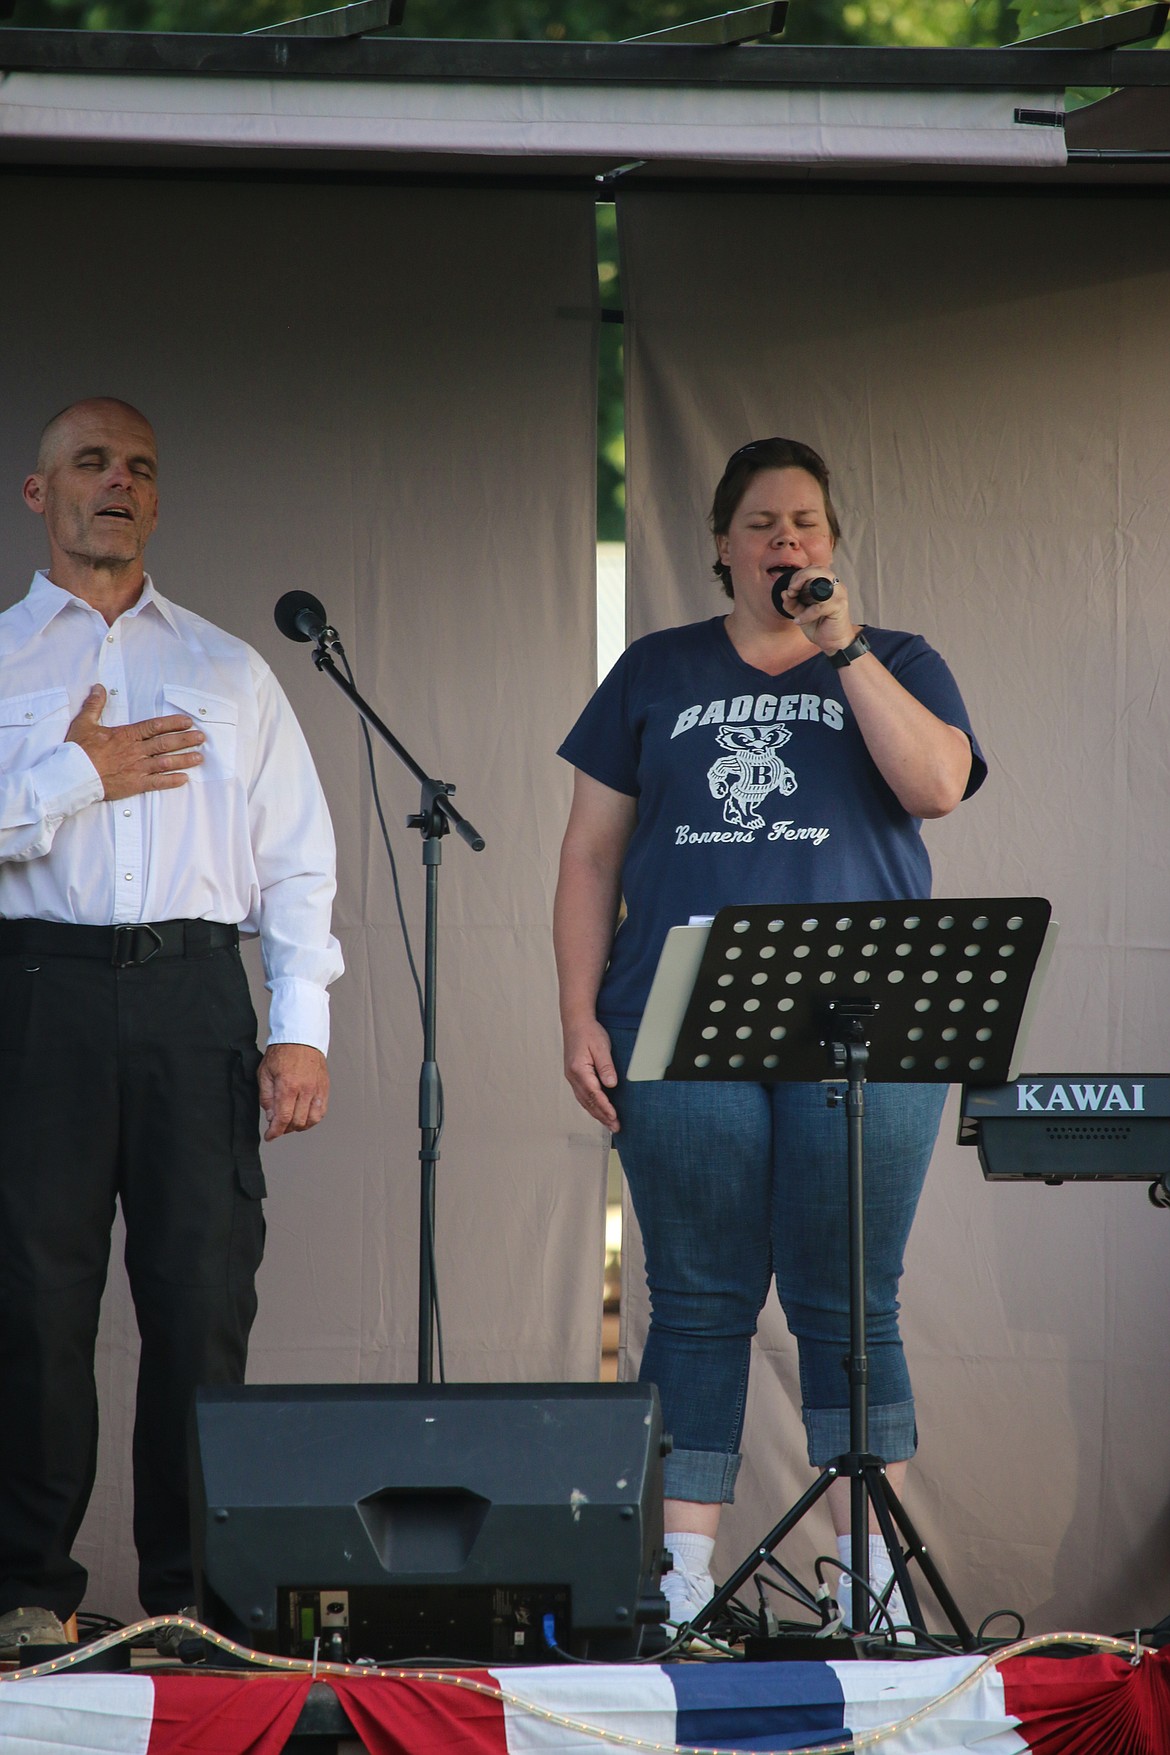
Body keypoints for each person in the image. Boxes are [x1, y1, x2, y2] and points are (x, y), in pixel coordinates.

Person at [554, 437, 985, 1629]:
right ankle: (681, 1586)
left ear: (832, 543)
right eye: (760, 524)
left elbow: (938, 786)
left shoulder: (897, 659)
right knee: (697, 1298)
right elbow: (590, 854)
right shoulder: (656, 670)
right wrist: (579, 1011)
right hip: (678, 1014)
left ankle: (872, 1589)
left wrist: (842, 647)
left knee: (855, 1300)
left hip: (872, 1020)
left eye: (804, 522)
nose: (784, 542)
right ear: (722, 546)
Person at [0, 398, 343, 1653]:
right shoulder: (0, 657)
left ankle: (191, 1599)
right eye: (90, 463)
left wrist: (298, 1025)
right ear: (40, 495)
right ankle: (25, 1593)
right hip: (36, 994)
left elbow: (299, 863)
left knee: (200, 1295)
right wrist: (75, 776)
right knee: (34, 1301)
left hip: (196, 994)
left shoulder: (226, 667)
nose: (117, 484)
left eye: (139, 469)